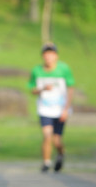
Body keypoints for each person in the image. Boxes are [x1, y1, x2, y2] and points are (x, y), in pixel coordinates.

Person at [28, 43, 75, 173]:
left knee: (57, 140)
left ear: (56, 56)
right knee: (47, 135)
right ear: (43, 56)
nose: (48, 57)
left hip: (60, 109)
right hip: (45, 109)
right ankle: (46, 162)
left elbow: (70, 89)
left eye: (51, 54)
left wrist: (66, 109)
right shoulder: (37, 70)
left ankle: (60, 155)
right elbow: (32, 89)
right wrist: (43, 89)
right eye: (46, 54)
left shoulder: (64, 69)